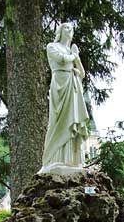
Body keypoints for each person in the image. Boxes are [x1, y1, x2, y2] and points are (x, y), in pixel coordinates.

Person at [38, 23, 89, 175]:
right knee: (58, 120)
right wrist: (74, 54)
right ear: (60, 31)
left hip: (72, 85)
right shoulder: (52, 46)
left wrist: (76, 58)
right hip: (60, 83)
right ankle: (54, 157)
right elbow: (61, 60)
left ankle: (71, 158)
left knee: (72, 119)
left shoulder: (71, 50)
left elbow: (82, 73)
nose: (69, 30)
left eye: (71, 29)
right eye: (66, 28)